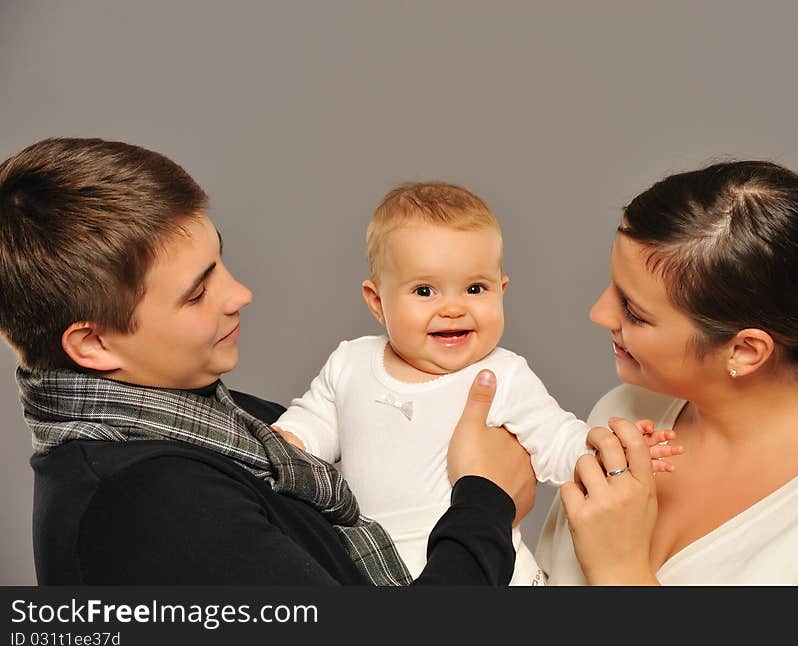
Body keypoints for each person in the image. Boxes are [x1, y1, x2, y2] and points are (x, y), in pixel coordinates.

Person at [0, 137, 537, 585]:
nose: (239, 294)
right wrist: (486, 502)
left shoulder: (227, 426)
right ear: (92, 345)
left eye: (220, 261)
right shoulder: (146, 506)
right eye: (195, 293)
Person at [272, 182, 680, 584]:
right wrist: (284, 442)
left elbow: (555, 439)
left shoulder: (502, 374)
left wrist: (611, 451)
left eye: (475, 288)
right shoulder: (351, 362)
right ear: (378, 302)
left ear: (501, 290)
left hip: (486, 563)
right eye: (425, 290)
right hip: (368, 558)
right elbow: (312, 425)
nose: (453, 308)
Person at [535, 160, 798, 585]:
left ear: (745, 350)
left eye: (635, 313)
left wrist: (618, 570)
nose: (598, 313)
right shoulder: (625, 414)